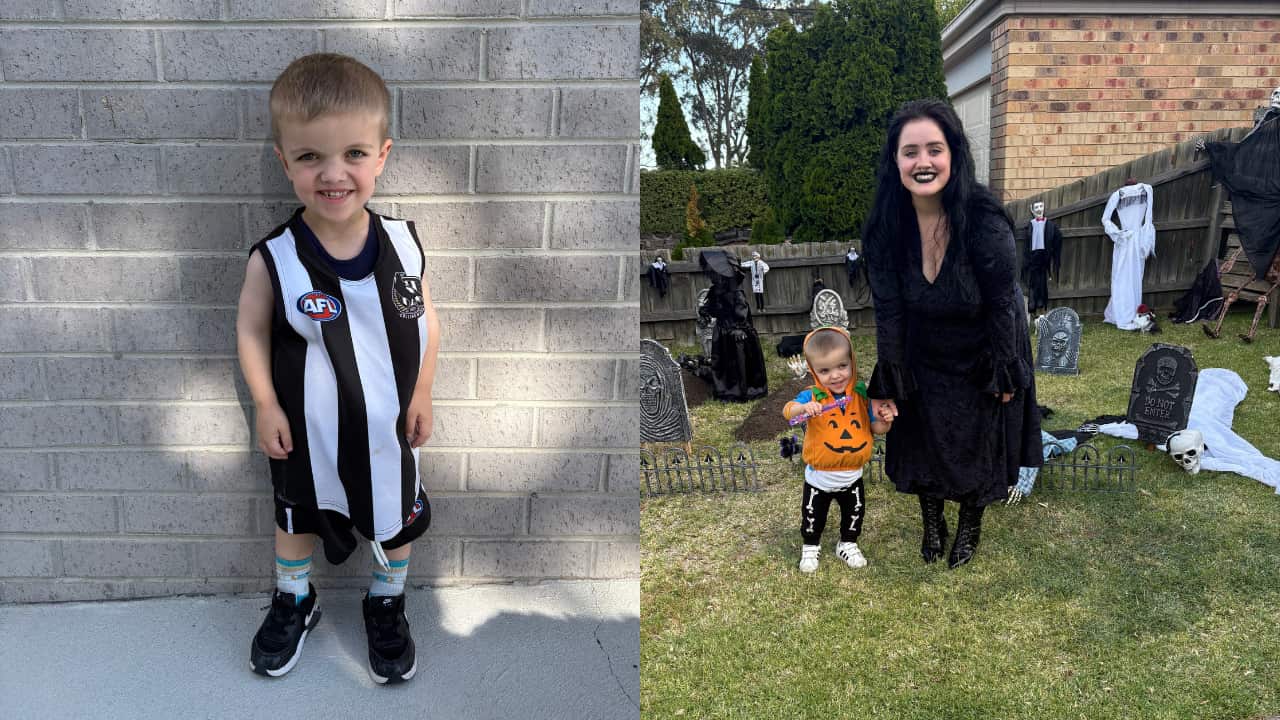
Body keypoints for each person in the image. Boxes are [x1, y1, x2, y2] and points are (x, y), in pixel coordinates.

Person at [237, 53, 441, 683]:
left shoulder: (404, 243)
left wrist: (424, 390)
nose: (334, 174)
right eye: (310, 157)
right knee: (296, 518)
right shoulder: (277, 257)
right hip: (305, 433)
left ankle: (387, 599)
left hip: (386, 430)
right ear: (284, 161)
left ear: (382, 155)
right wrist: (267, 403)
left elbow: (429, 323)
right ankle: (296, 597)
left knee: (393, 517)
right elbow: (248, 328)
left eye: (354, 154)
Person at [862, 99, 1042, 569]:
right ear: (895, 161)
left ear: (954, 154)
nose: (923, 162)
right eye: (910, 152)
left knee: (975, 438)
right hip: (922, 348)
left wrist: (1003, 370)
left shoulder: (984, 219)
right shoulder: (885, 226)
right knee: (921, 435)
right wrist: (893, 373)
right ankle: (931, 521)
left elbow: (1003, 301)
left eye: (934, 150)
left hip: (981, 346)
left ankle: (969, 523)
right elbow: (888, 307)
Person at [783, 327, 893, 573]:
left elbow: (876, 428)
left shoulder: (861, 395)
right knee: (813, 516)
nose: (835, 375)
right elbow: (788, 410)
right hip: (819, 478)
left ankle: (847, 544)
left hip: (852, 476)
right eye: (825, 370)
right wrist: (804, 409)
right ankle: (810, 547)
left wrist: (884, 420)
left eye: (842, 366)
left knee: (854, 515)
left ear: (852, 362)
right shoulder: (812, 395)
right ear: (813, 371)